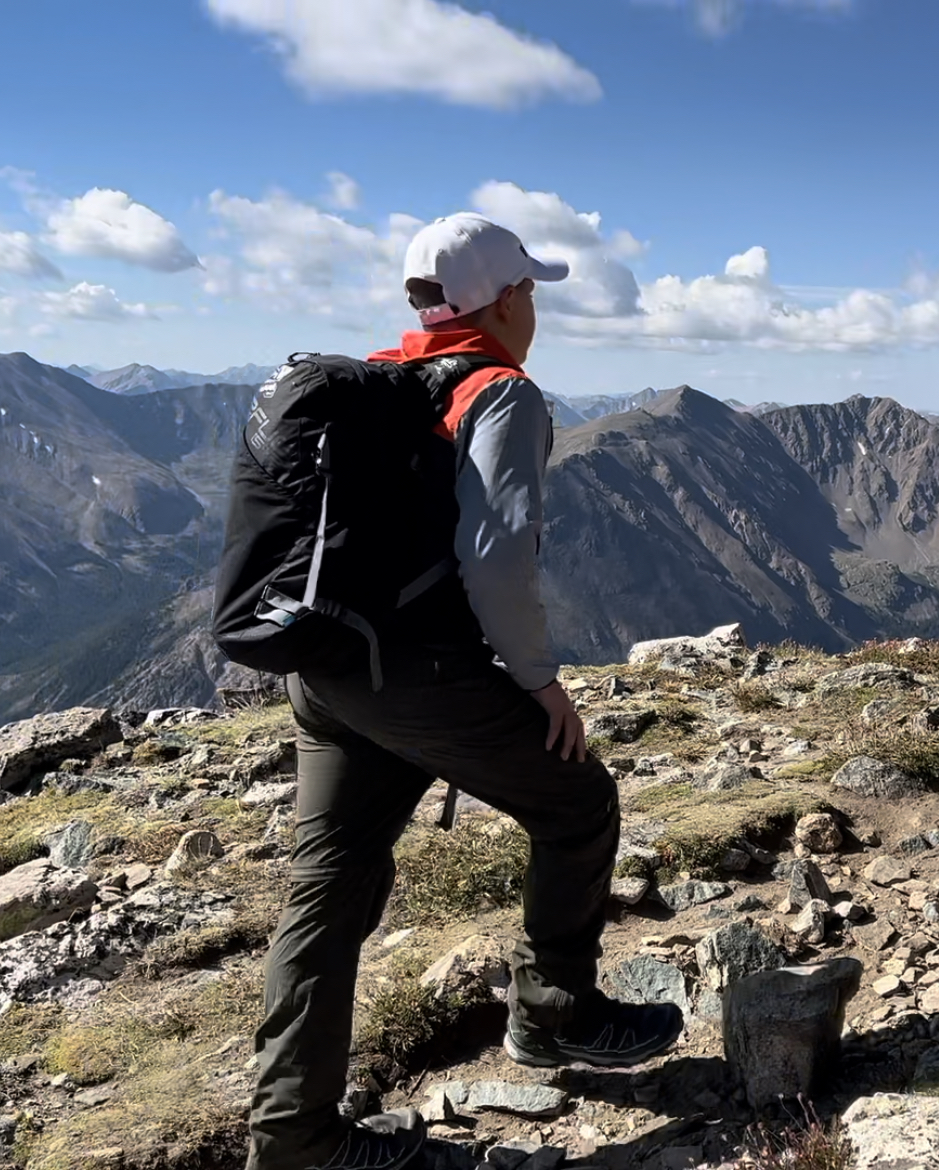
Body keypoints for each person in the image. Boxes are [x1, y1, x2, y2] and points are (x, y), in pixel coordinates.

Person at [244, 213, 685, 1170]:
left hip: (325, 674)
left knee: (329, 886)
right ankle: (554, 1015)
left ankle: (293, 1139)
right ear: (508, 297)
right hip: (414, 675)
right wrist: (539, 684)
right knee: (576, 803)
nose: (536, 306)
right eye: (531, 289)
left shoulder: (379, 380)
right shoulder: (499, 394)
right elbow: (494, 561)